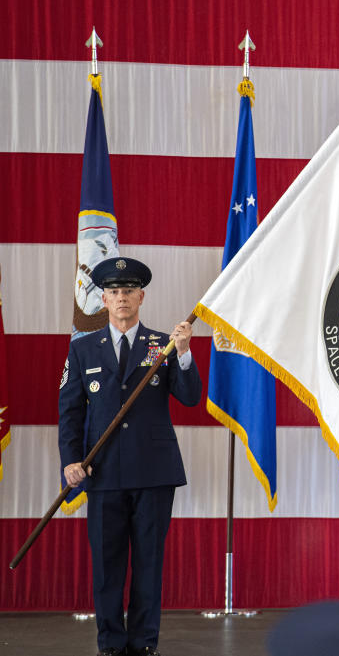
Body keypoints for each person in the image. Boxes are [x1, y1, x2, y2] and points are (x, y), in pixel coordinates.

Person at [59, 257, 202, 656]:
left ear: (141, 297)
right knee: (107, 569)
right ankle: (110, 645)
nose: (122, 298)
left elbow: (189, 398)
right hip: (101, 473)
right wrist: (71, 461)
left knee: (148, 568)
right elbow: (70, 413)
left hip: (153, 474)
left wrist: (186, 352)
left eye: (129, 291)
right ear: (103, 299)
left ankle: (143, 645)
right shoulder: (83, 348)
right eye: (114, 292)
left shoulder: (163, 344)